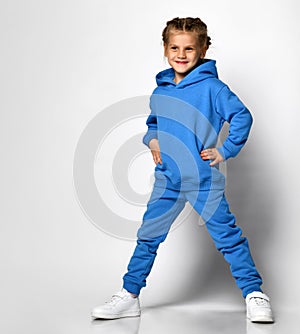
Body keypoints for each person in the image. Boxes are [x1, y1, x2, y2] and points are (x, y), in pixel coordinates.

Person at [91, 17, 274, 323]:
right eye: (174, 47)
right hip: (168, 181)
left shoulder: (213, 88)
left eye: (189, 48)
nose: (181, 54)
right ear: (165, 48)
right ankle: (130, 294)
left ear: (202, 49)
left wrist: (225, 150)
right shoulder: (160, 90)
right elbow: (153, 123)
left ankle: (255, 293)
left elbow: (242, 116)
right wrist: (152, 141)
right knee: (148, 237)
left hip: (203, 180)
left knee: (228, 238)